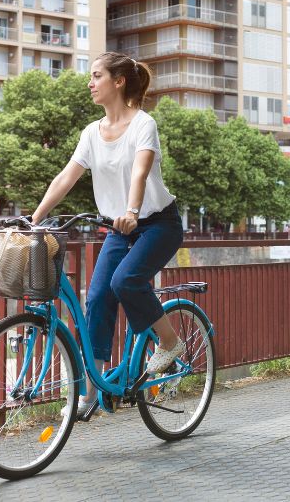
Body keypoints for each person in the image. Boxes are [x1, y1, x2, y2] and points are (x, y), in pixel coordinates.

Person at [30, 52, 184, 420]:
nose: (90, 82)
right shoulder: (91, 133)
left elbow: (140, 173)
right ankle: (93, 385)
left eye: (96, 75)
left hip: (156, 223)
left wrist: (131, 210)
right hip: (118, 227)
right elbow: (66, 177)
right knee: (98, 296)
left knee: (126, 281)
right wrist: (34, 219)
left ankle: (170, 341)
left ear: (118, 82)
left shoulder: (143, 124)